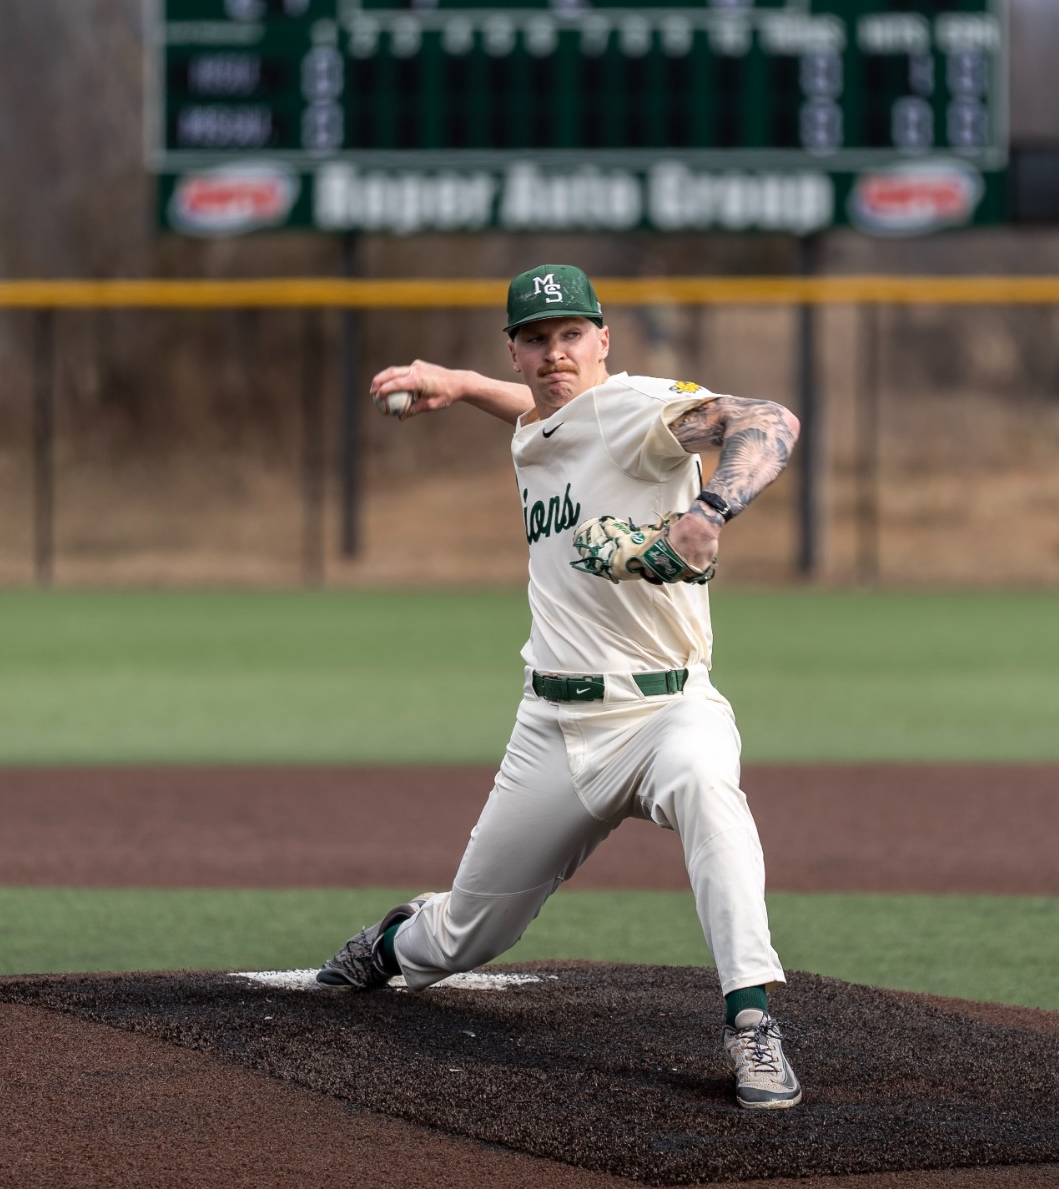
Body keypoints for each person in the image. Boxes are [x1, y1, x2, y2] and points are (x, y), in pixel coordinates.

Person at [315, 264, 806, 1110]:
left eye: (572, 335)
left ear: (604, 340)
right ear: (514, 351)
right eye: (536, 339)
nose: (555, 354)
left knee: (705, 786)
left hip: (665, 710)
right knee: (462, 938)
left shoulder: (639, 407)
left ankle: (752, 1021)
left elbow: (769, 420)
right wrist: (462, 385)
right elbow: (546, 418)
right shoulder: (546, 422)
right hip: (552, 727)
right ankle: (395, 942)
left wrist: (707, 514)